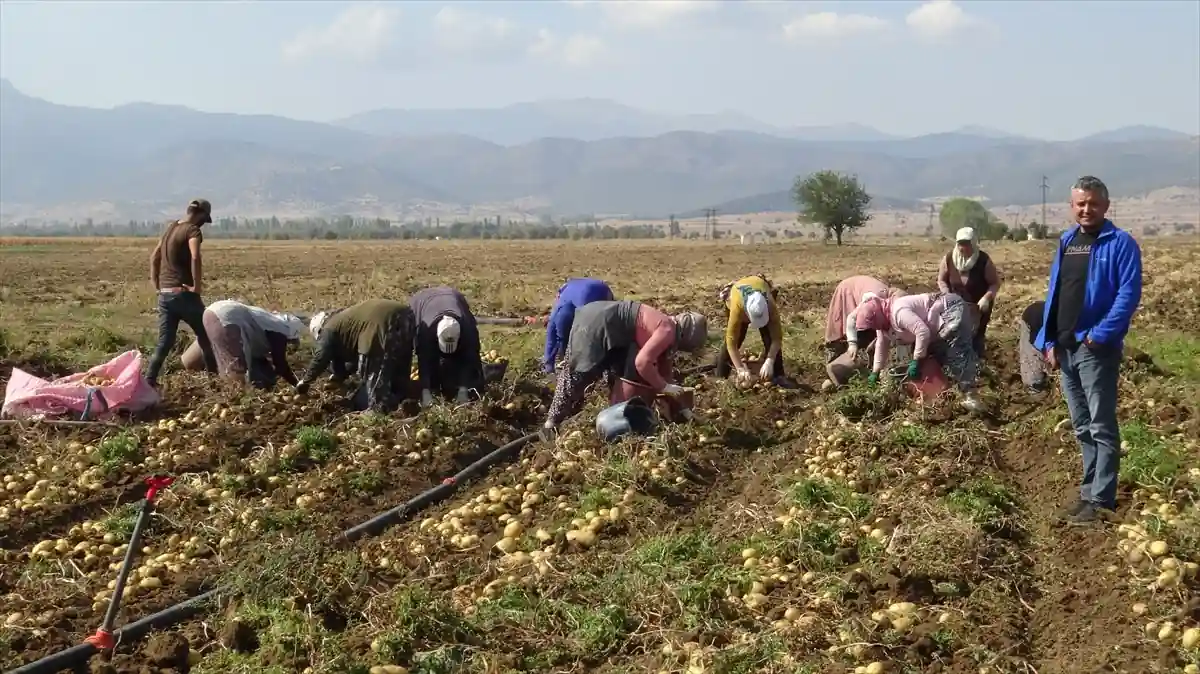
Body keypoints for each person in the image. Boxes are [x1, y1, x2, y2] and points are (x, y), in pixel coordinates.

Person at [1034, 175, 1142, 526]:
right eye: (1080, 203)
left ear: (1105, 206)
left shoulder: (1120, 243)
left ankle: (1101, 501)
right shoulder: (1068, 241)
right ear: (1072, 206)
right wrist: (1048, 341)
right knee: (1082, 426)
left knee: (1101, 425)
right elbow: (1057, 293)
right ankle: (1088, 495)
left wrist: (1099, 335)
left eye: (1093, 203)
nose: (1086, 209)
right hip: (1065, 348)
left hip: (1095, 348)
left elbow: (1128, 295)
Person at [540, 300, 707, 439]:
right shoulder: (667, 330)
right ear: (687, 337)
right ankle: (551, 425)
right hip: (595, 323)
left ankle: (613, 417)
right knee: (577, 375)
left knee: (618, 371)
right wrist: (663, 387)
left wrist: (683, 407)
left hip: (614, 329)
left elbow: (665, 372)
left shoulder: (668, 330)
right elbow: (642, 363)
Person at [854, 291, 983, 411]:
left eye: (874, 324)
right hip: (935, 324)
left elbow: (922, 332)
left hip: (949, 310)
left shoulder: (898, 312)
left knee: (956, 351)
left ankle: (971, 396)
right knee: (935, 357)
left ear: (878, 315)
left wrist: (916, 360)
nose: (875, 327)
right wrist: (875, 372)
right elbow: (881, 346)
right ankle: (946, 392)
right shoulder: (882, 325)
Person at [145, 199, 219, 389]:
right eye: (204, 218)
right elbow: (195, 255)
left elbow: (155, 256)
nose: (204, 223)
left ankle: (149, 379)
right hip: (184, 295)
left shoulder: (171, 228)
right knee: (206, 335)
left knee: (165, 341)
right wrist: (196, 287)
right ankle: (215, 381)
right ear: (200, 214)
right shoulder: (193, 230)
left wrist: (157, 285)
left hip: (165, 295)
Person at [296, 299, 415, 412]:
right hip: (407, 315)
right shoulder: (344, 323)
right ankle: (403, 401)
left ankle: (378, 412)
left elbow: (321, 356)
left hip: (379, 326)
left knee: (373, 386)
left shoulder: (328, 329)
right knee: (399, 363)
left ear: (318, 330)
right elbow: (351, 362)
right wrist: (339, 376)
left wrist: (305, 381)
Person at [192, 300, 305, 389]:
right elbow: (280, 364)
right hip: (227, 319)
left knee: (194, 362)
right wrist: (297, 385)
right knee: (236, 376)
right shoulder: (280, 332)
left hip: (211, 312)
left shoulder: (267, 321)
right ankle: (233, 404)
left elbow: (263, 359)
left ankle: (209, 383)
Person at [410, 286, 485, 407]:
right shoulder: (426, 330)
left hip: (453, 296)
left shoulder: (467, 330)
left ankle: (465, 387)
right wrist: (426, 391)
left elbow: (469, 357)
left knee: (469, 360)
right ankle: (433, 389)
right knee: (430, 360)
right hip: (423, 300)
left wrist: (463, 389)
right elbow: (424, 361)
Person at [938, 227, 1002, 358]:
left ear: (973, 243)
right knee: (955, 334)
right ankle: (957, 364)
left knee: (975, 337)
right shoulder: (949, 259)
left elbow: (995, 283)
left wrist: (986, 298)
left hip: (978, 307)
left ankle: (977, 364)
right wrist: (946, 294)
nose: (963, 248)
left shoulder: (983, 260)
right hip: (955, 307)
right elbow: (941, 280)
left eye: (966, 244)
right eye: (960, 244)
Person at [716, 274, 786, 386]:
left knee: (768, 337)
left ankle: (779, 376)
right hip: (736, 293)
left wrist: (770, 360)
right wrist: (740, 368)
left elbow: (777, 338)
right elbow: (731, 343)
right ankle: (721, 377)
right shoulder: (737, 308)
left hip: (758, 284)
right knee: (738, 337)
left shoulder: (770, 305)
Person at [823, 275, 906, 364]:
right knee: (845, 326)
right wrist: (852, 344)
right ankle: (835, 350)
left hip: (867, 288)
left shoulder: (895, 303)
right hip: (849, 289)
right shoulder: (872, 301)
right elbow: (851, 318)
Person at [543, 278, 614, 373]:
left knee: (591, 333)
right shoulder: (570, 288)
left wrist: (548, 363)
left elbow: (551, 334)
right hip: (604, 289)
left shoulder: (562, 304)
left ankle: (592, 364)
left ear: (558, 295)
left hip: (595, 297)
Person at [1017, 301, 1050, 393]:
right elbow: (1035, 342)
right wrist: (1048, 354)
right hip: (1031, 320)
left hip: (1048, 324)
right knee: (1032, 356)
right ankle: (1033, 386)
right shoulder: (1038, 320)